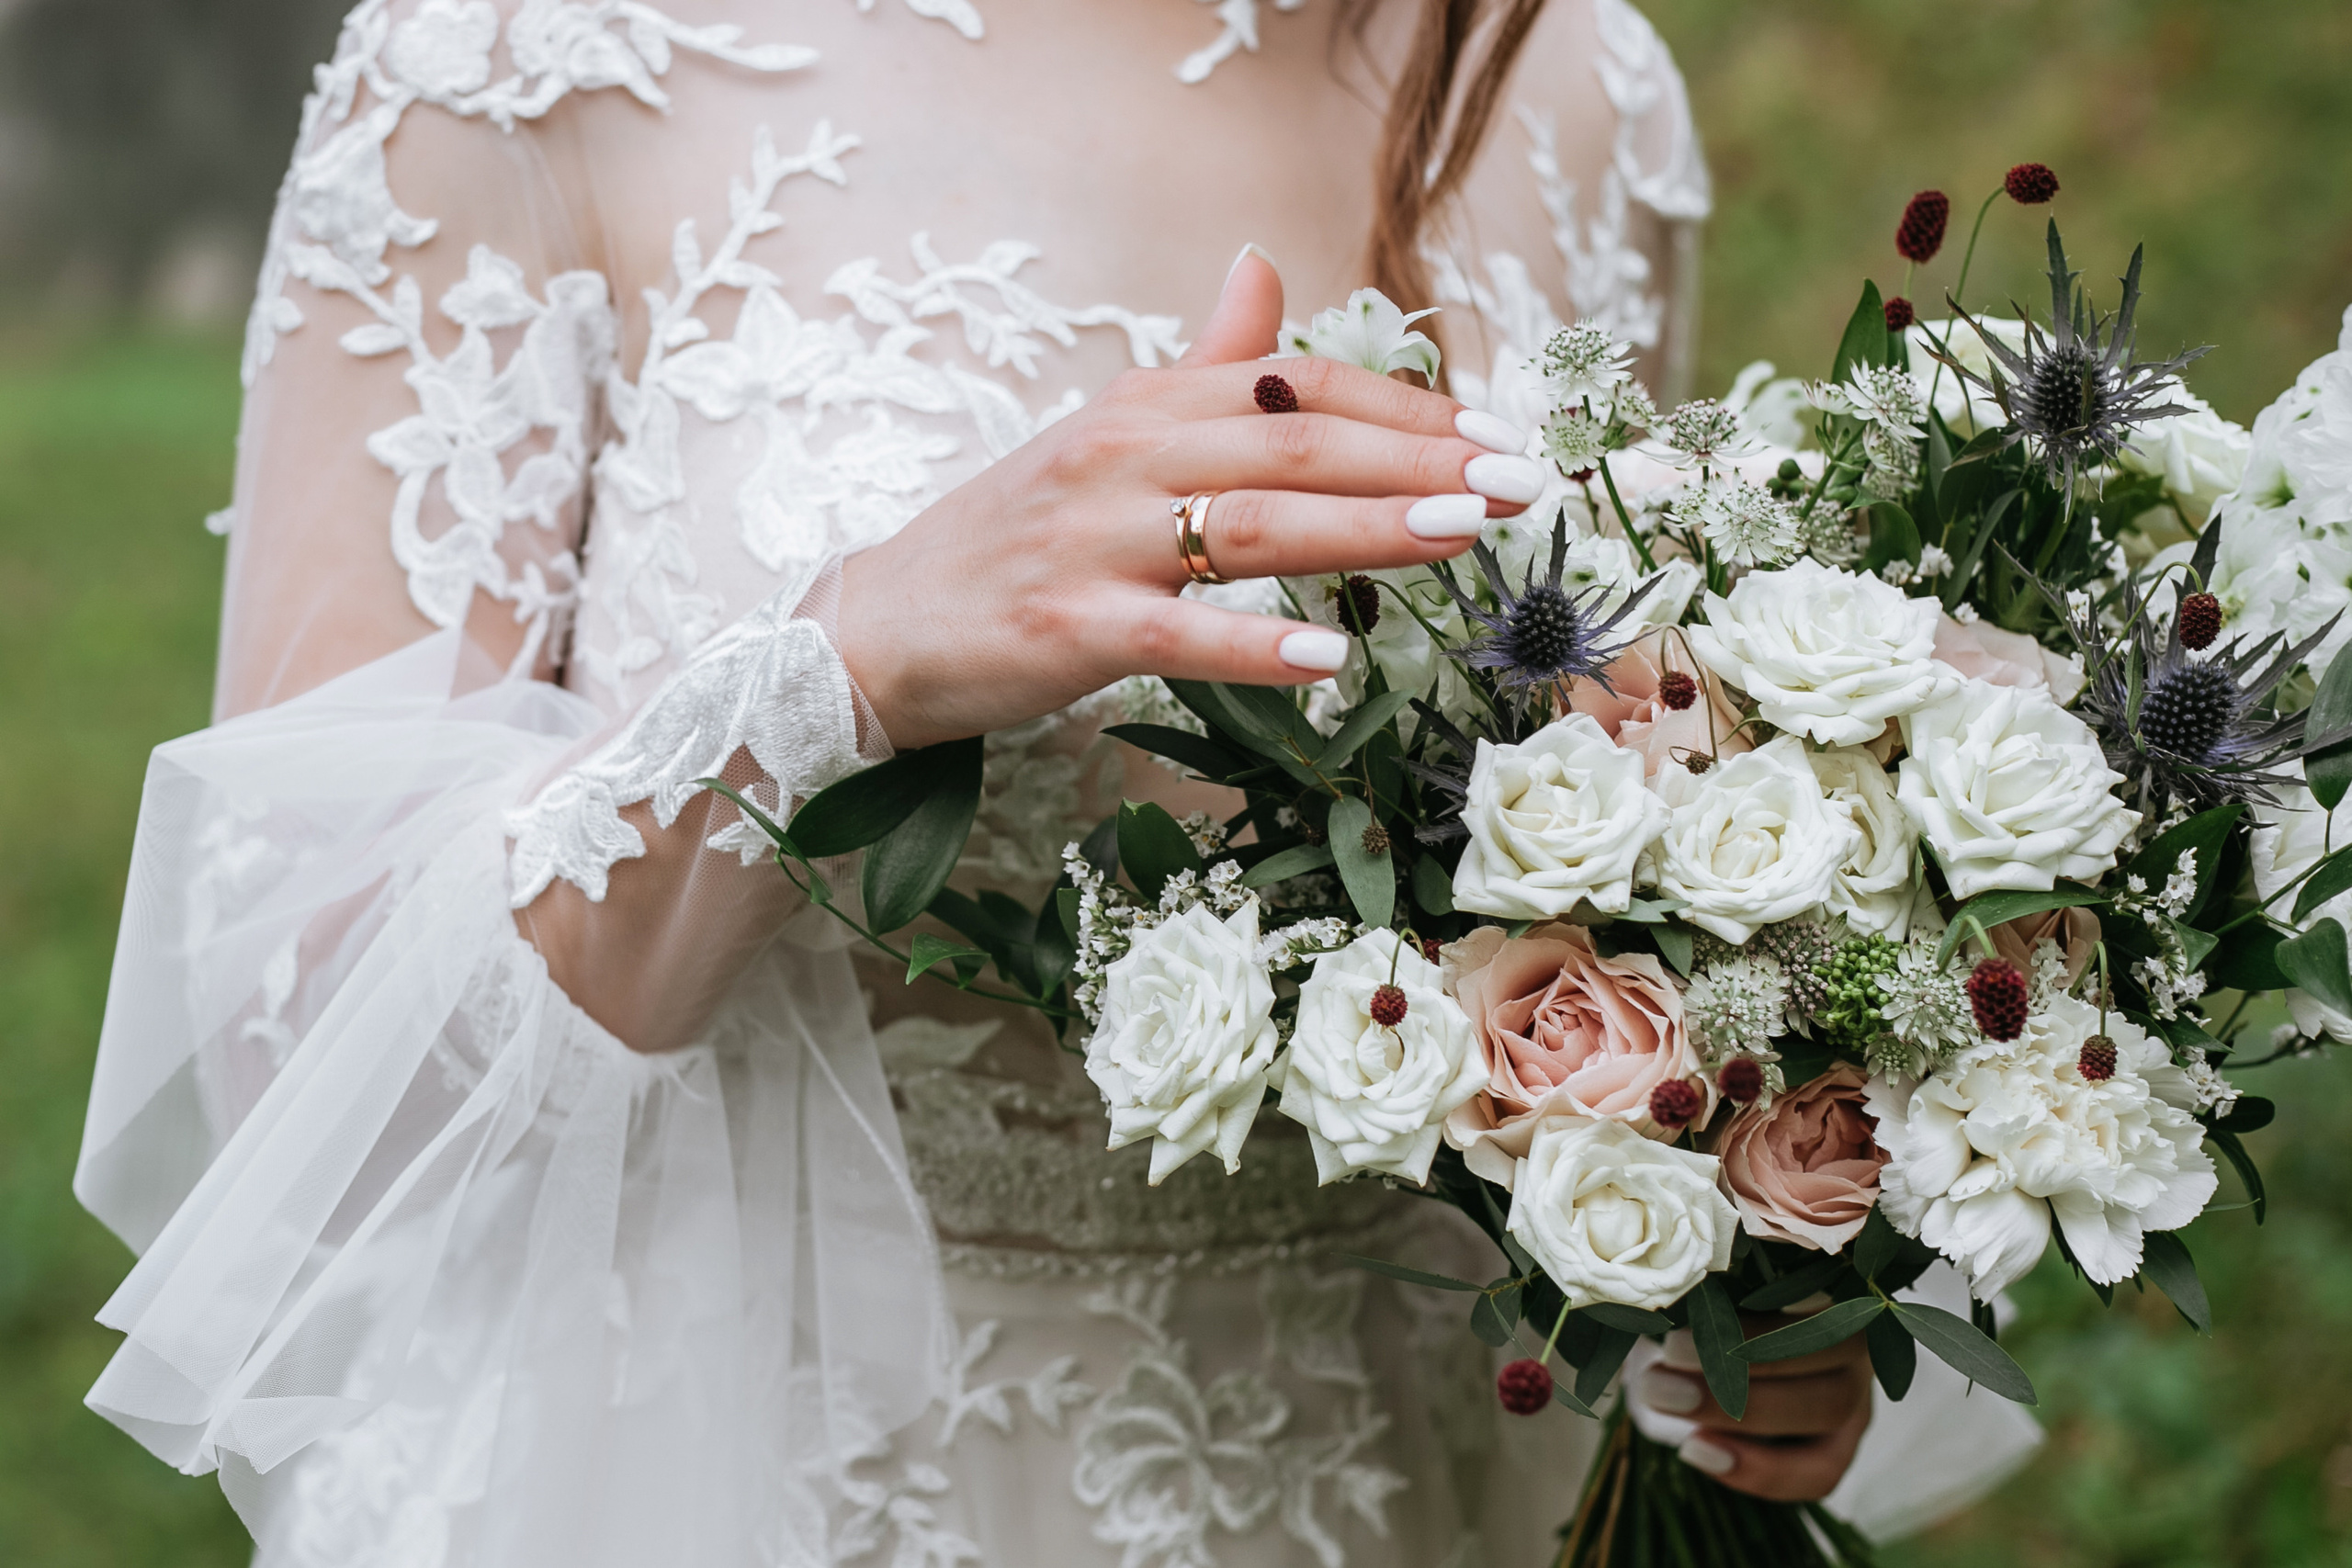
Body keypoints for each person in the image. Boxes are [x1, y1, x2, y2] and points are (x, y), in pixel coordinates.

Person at [74, 1, 2037, 1562]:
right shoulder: (518, 61)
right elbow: (297, 1038)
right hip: (768, 1466)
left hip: (1428, 1463)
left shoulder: (1565, 73)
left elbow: (1613, 844)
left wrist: (1720, 1266)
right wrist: (839, 661)